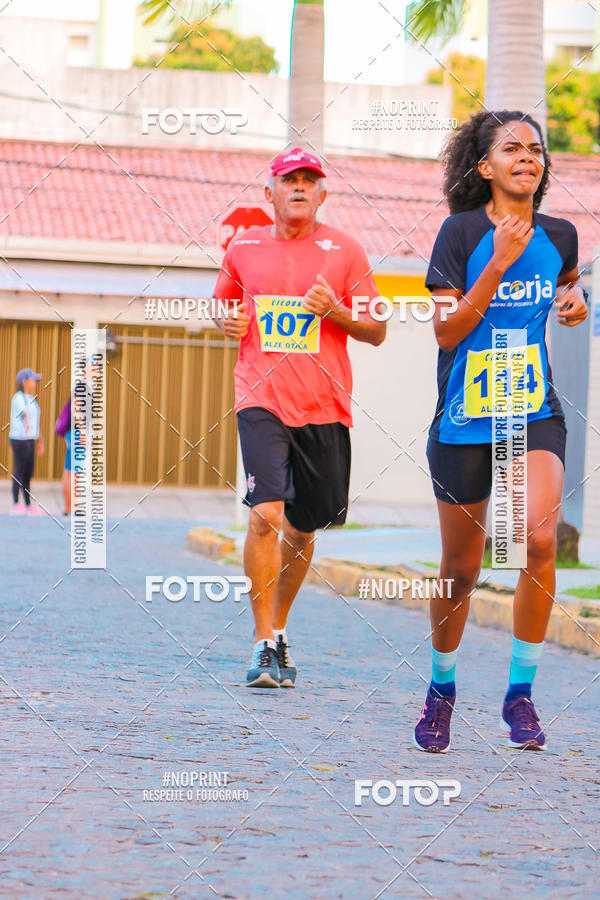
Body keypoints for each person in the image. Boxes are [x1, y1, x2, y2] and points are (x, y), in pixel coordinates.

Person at [414, 110, 588, 753]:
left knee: (537, 541)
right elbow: (447, 332)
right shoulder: (459, 233)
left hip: (532, 409)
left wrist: (575, 304)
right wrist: (499, 262)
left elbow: (567, 292)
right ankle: (441, 689)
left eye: (536, 149)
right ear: (485, 167)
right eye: (512, 148)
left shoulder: (561, 234)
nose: (528, 157)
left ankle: (520, 696)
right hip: (464, 418)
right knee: (461, 569)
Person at [213, 147, 386, 688]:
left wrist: (335, 311)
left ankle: (281, 628)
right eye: (290, 180)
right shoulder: (243, 247)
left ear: (323, 193)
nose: (300, 188)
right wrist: (227, 321)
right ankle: (262, 642)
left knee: (304, 528)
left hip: (324, 405)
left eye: (310, 181)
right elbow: (223, 305)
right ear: (269, 192)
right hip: (260, 396)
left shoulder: (346, 251)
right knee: (264, 516)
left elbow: (377, 329)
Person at [9, 368, 45, 515]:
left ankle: (28, 504)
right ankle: (16, 504)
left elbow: (34, 420)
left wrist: (40, 440)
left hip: (30, 439)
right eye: (32, 380)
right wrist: (27, 427)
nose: (35, 383)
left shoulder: (31, 398)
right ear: (24, 381)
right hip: (20, 440)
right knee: (19, 471)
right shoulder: (18, 397)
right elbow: (24, 415)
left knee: (28, 473)